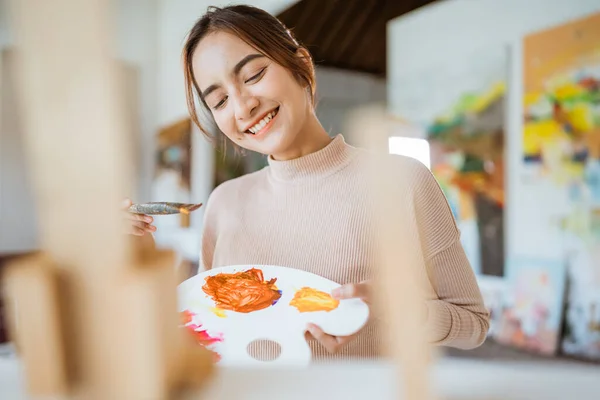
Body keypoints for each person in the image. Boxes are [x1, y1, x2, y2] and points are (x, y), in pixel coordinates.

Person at [126, 4, 490, 361]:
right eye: (219, 100)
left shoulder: (403, 182)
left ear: (301, 63)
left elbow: (473, 325)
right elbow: (204, 328)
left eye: (252, 75)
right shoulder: (224, 202)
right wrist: (133, 256)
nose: (242, 107)